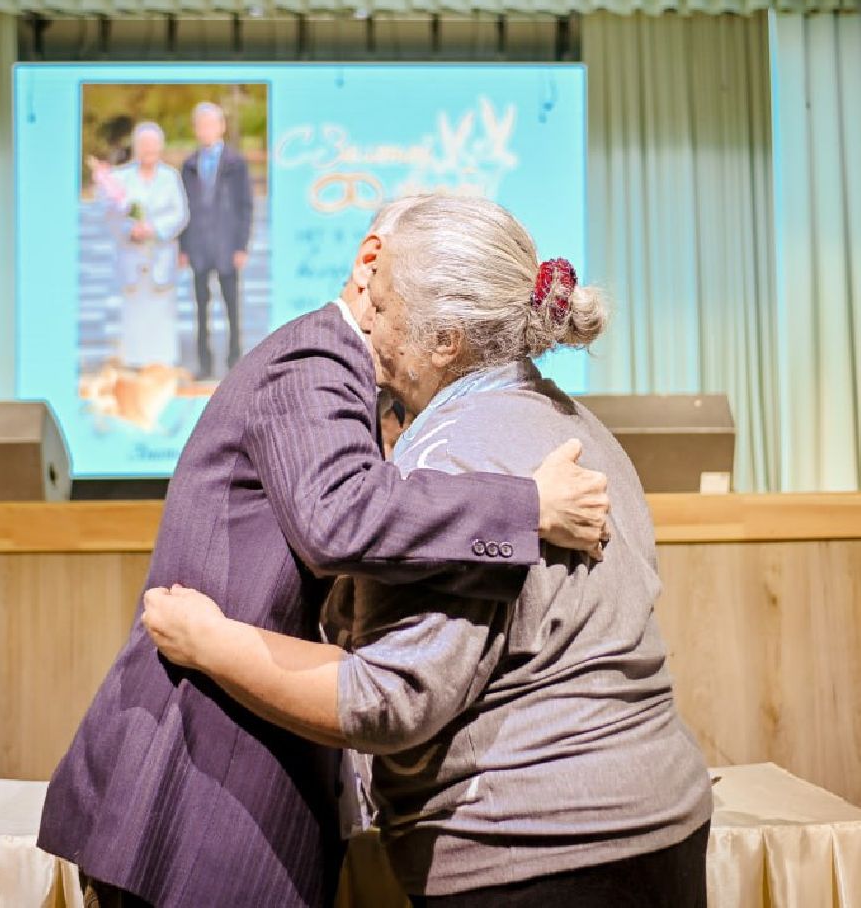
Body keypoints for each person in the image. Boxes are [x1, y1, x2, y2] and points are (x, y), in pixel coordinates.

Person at [37, 199, 616, 908]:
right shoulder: (315, 357)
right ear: (371, 265)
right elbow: (337, 517)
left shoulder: (346, 375)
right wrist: (530, 505)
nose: (435, 356)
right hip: (197, 787)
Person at [142, 197, 713, 907]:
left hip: (534, 854)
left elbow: (390, 699)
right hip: (664, 827)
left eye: (383, 309)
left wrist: (211, 644)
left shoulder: (453, 459)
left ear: (443, 341)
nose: (367, 324)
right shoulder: (579, 424)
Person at [92, 123, 189, 368]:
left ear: (160, 147)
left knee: (161, 315)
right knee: (133, 314)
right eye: (144, 145)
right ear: (136, 148)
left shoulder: (170, 177)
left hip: (161, 259)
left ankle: (161, 366)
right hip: (132, 259)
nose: (149, 150)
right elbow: (111, 216)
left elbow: (180, 214)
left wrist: (154, 229)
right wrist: (130, 230)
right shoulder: (121, 177)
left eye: (153, 145)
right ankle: (134, 363)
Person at [178, 101, 253, 378]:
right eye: (201, 125)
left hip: (226, 246)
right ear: (196, 130)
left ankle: (235, 361)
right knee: (201, 310)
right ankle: (204, 363)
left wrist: (241, 245)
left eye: (212, 124)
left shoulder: (235, 163)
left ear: (221, 127)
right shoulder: (188, 165)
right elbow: (182, 208)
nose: (206, 130)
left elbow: (245, 206)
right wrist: (183, 247)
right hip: (198, 246)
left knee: (232, 308)